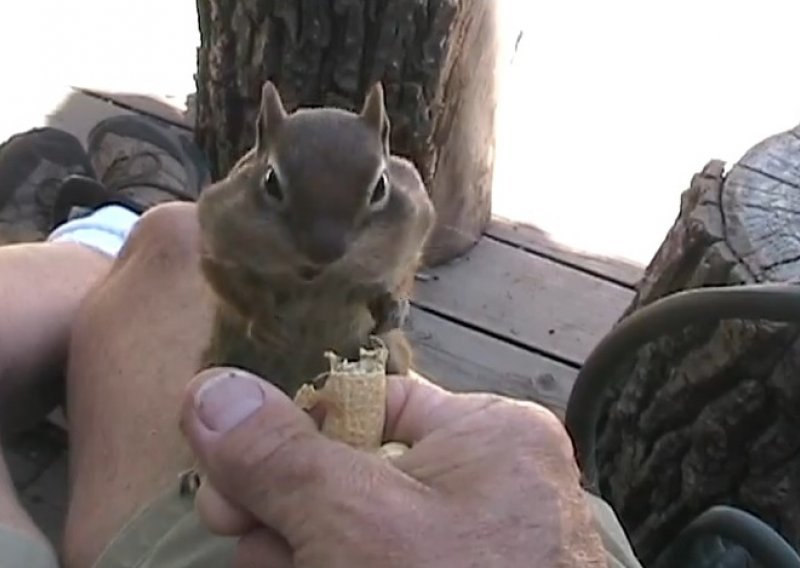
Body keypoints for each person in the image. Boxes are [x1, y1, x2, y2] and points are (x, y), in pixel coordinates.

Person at [0, 115, 643, 567]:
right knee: (180, 240)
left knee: (174, 242)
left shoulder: (394, 210)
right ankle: (106, 234)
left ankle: (100, 234)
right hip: (531, 534)